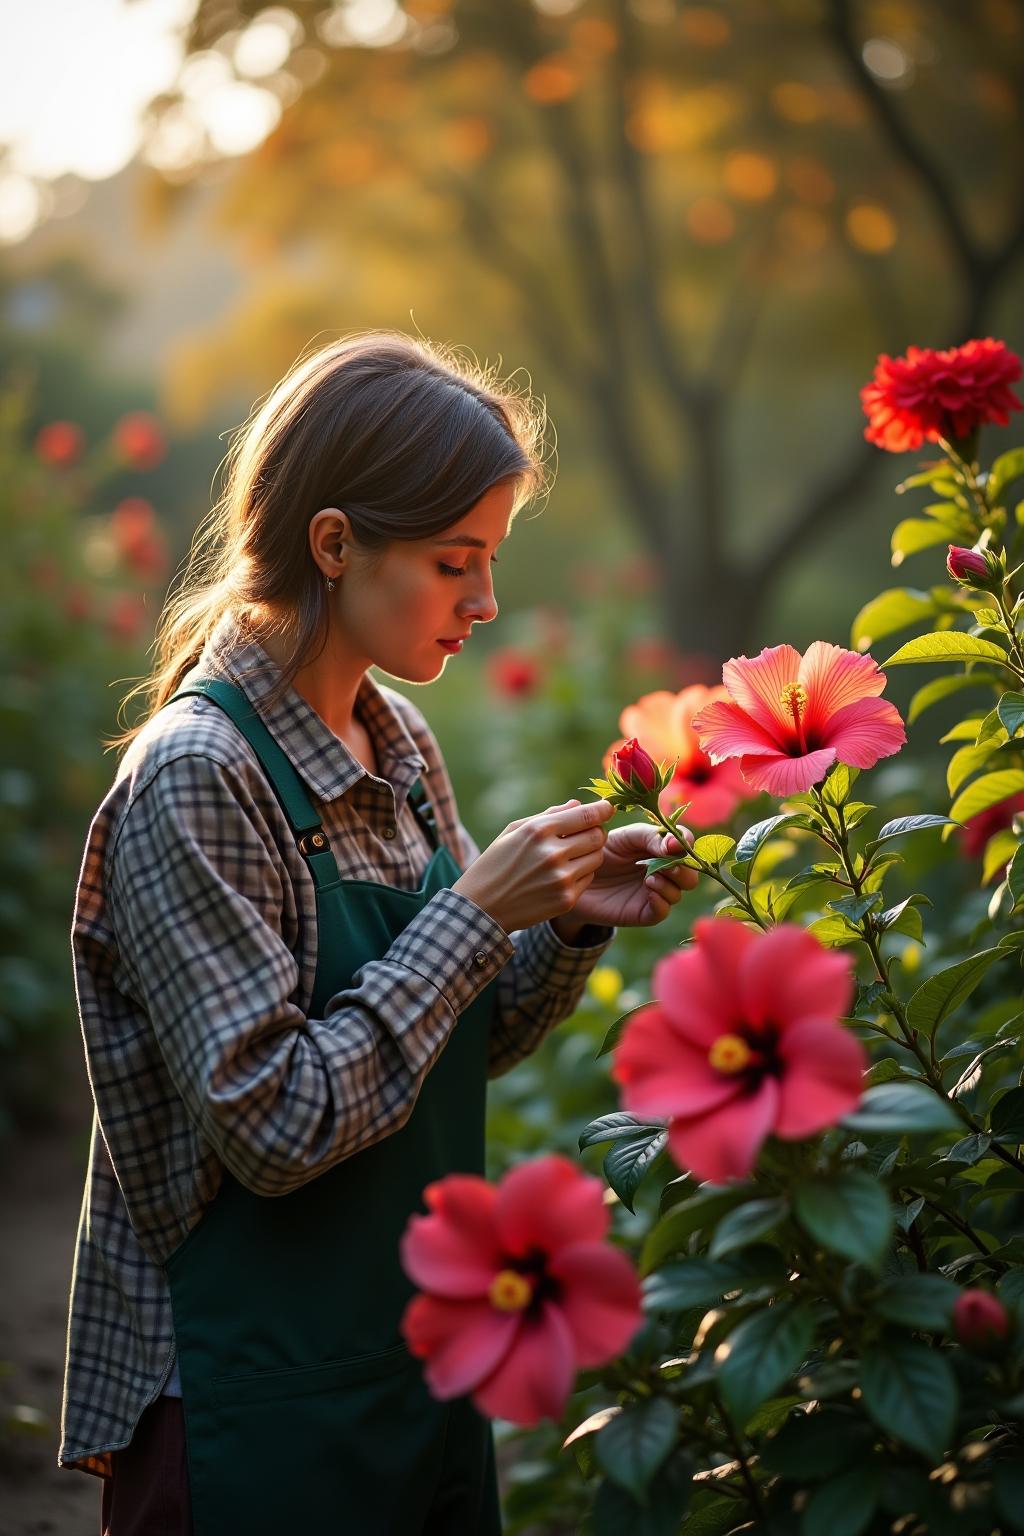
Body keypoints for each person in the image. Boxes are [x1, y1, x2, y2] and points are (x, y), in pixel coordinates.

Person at [59, 333, 698, 1535]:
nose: (486, 602)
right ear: (334, 544)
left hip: (415, 1363)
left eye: (490, 561)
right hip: (247, 1405)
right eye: (456, 562)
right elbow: (274, 1126)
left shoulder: (396, 743)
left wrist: (562, 922)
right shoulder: (201, 775)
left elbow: (466, 1039)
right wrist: (472, 913)